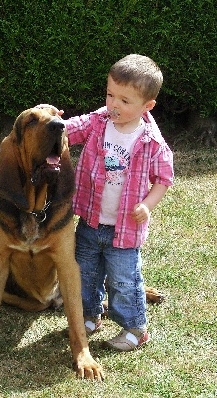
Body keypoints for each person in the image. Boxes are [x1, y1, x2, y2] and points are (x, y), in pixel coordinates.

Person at [37, 54, 174, 351]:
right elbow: (72, 129)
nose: (114, 105)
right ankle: (89, 314)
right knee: (85, 272)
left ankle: (135, 328)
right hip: (90, 220)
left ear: (147, 106)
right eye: (111, 95)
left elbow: (163, 178)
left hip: (124, 229)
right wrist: (51, 121)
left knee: (124, 281)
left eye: (125, 101)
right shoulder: (100, 122)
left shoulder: (151, 142)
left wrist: (147, 205)